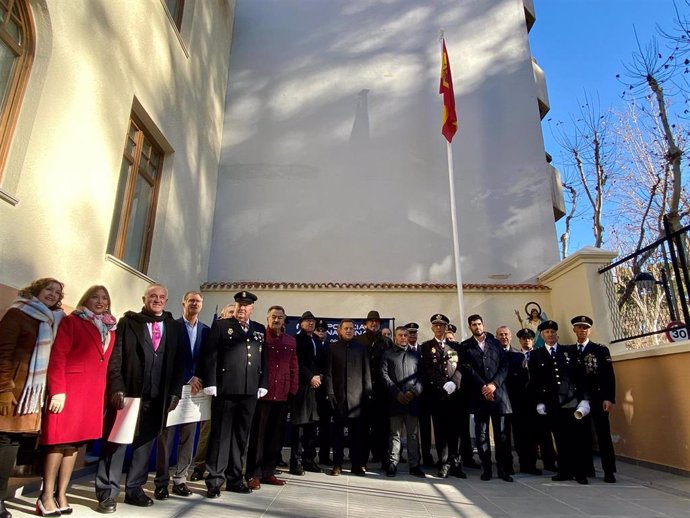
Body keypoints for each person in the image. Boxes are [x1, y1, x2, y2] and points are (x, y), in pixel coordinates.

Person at [95, 283, 184, 513]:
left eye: (162, 297)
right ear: (144, 298)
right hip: (129, 395)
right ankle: (108, 493)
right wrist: (117, 387)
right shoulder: (128, 322)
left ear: (166, 300)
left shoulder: (174, 327)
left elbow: (179, 364)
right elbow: (116, 357)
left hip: (158, 397)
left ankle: (134, 489)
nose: (157, 300)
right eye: (152, 296)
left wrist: (175, 392)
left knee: (145, 445)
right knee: (116, 443)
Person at [39, 285, 116, 515]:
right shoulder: (73, 321)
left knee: (74, 446)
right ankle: (45, 496)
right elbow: (58, 355)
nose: (100, 301)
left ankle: (62, 494)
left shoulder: (110, 329)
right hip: (69, 392)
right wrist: (58, 391)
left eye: (104, 298)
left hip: (91, 395)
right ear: (86, 299)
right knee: (58, 442)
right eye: (95, 297)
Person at [0, 278, 64, 518]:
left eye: (57, 292)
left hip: (30, 396)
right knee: (4, 445)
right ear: (36, 289)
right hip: (12, 391)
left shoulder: (50, 320)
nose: (53, 294)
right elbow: (3, 352)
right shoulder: (18, 313)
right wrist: (4, 389)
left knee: (11, 446)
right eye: (49, 289)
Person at [197, 291, 267, 497]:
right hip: (226, 390)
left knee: (240, 437)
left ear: (252, 308)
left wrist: (262, 383)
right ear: (235, 307)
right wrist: (211, 382)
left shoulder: (258, 330)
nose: (242, 308)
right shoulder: (221, 326)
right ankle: (214, 481)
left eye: (246, 306)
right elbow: (210, 355)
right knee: (221, 436)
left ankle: (235, 478)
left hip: (249, 392)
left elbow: (264, 360)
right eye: (239, 305)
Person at [154, 291, 210, 499]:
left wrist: (201, 378)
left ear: (202, 305)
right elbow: (168, 358)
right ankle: (161, 482)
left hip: (196, 393)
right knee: (166, 438)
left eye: (198, 301)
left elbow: (207, 359)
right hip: (174, 390)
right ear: (183, 303)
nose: (195, 303)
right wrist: (188, 377)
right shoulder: (172, 326)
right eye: (191, 300)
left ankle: (180, 479)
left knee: (188, 438)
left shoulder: (206, 330)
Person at [528, 320, 590, 485]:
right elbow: (535, 380)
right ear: (542, 335)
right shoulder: (536, 355)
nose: (550, 335)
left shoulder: (569, 351)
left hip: (570, 402)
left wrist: (584, 399)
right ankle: (564, 470)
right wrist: (539, 402)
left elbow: (580, 376)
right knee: (559, 439)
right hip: (552, 403)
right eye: (547, 332)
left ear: (557, 334)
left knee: (575, 439)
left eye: (552, 332)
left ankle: (580, 472)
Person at [245, 306, 298, 489]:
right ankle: (254, 474)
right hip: (263, 394)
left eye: (280, 317)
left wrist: (292, 390)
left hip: (282, 396)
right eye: (273, 317)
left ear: (284, 320)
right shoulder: (260, 337)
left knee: (276, 439)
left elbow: (293, 367)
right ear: (267, 318)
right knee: (258, 438)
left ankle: (269, 473)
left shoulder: (290, 341)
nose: (276, 320)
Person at [460, 315, 513, 482]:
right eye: (474, 325)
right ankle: (487, 469)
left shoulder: (495, 343)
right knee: (481, 434)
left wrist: (493, 385)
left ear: (483, 324)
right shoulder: (466, 346)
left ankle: (503, 469)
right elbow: (467, 368)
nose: (477, 327)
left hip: (498, 395)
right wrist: (483, 386)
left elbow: (505, 366)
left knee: (501, 435)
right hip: (479, 395)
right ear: (470, 327)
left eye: (479, 324)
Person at [190, 305, 235, 482]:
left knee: (225, 433)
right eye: (230, 312)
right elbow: (206, 358)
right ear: (222, 316)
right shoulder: (211, 332)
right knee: (207, 430)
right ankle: (199, 466)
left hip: (230, 390)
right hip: (211, 388)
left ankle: (221, 468)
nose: (233, 315)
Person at [571, 315, 617, 483]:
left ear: (589, 330)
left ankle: (609, 471)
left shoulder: (600, 350)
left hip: (598, 398)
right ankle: (586, 469)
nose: (582, 330)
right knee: (582, 436)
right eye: (579, 327)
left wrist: (609, 398)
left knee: (603, 435)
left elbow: (608, 376)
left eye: (585, 328)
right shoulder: (570, 351)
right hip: (579, 400)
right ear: (574, 330)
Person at [420, 314, 466, 479]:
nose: (439, 328)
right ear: (432, 328)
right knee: (440, 431)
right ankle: (444, 462)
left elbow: (460, 367)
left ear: (446, 328)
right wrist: (442, 384)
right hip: (437, 396)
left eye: (442, 325)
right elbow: (428, 368)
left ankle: (456, 463)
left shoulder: (456, 347)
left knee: (455, 431)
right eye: (436, 325)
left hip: (455, 396)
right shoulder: (426, 347)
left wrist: (454, 382)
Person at [325, 319, 372, 476]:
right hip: (338, 398)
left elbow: (367, 373)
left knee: (357, 435)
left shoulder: (361, 348)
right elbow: (329, 373)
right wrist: (330, 392)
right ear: (339, 330)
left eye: (351, 328)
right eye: (346, 328)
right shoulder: (332, 348)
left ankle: (356, 464)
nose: (349, 331)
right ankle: (337, 464)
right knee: (337, 434)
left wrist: (367, 393)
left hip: (357, 399)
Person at [380, 326, 425, 478]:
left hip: (412, 401)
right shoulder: (388, 354)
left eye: (405, 335)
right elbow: (384, 376)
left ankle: (414, 465)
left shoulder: (417, 355)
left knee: (413, 435)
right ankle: (393, 463)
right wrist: (397, 393)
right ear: (395, 338)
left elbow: (422, 377)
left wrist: (413, 392)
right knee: (395, 434)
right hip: (395, 401)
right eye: (400, 335)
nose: (403, 338)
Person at [354, 310, 391, 469]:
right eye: (371, 321)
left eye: (377, 321)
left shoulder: (386, 342)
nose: (374, 324)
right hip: (362, 391)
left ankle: (384, 459)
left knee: (382, 428)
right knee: (362, 428)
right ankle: (362, 461)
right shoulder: (358, 340)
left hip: (381, 391)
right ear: (365, 324)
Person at [289, 311, 322, 475]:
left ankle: (309, 460)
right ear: (301, 324)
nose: (310, 323)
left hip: (315, 390)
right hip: (301, 388)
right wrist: (310, 377)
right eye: (307, 321)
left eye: (312, 321)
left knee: (311, 426)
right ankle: (296, 461)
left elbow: (321, 362)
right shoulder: (296, 340)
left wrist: (319, 377)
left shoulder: (316, 339)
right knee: (299, 427)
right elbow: (297, 363)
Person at [508, 329, 542, 475]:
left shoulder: (539, 355)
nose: (526, 341)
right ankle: (523, 463)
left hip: (536, 401)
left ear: (533, 340)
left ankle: (534, 463)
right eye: (523, 338)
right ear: (519, 341)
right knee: (520, 434)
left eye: (529, 338)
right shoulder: (514, 356)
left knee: (535, 433)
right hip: (519, 401)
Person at [406, 322, 433, 466]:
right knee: (411, 430)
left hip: (424, 396)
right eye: (409, 333)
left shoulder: (425, 349)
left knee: (425, 428)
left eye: (414, 332)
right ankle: (414, 457)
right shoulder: (403, 350)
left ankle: (427, 455)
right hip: (409, 396)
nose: (412, 335)